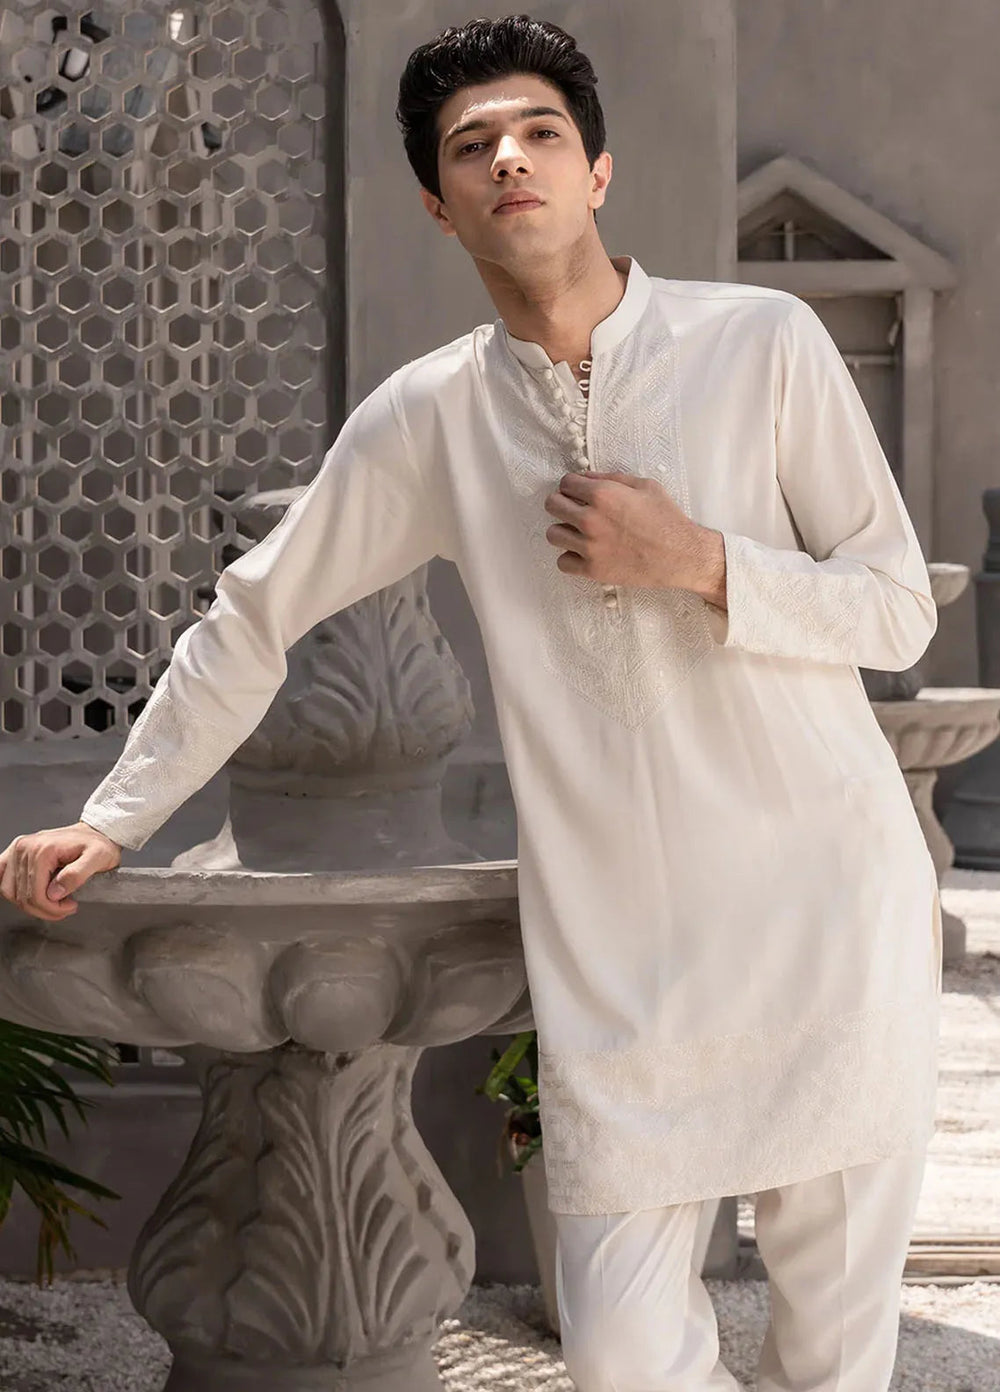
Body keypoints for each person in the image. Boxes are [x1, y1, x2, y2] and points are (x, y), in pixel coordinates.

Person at [0, 15, 942, 1391]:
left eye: (541, 132)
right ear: (441, 206)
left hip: (826, 916)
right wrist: (117, 817)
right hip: (624, 963)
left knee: (835, 1355)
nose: (510, 156)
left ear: (597, 173)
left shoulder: (763, 343)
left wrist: (696, 560)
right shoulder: (430, 417)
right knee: (625, 1357)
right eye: (471, 144)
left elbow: (897, 605)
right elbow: (255, 611)